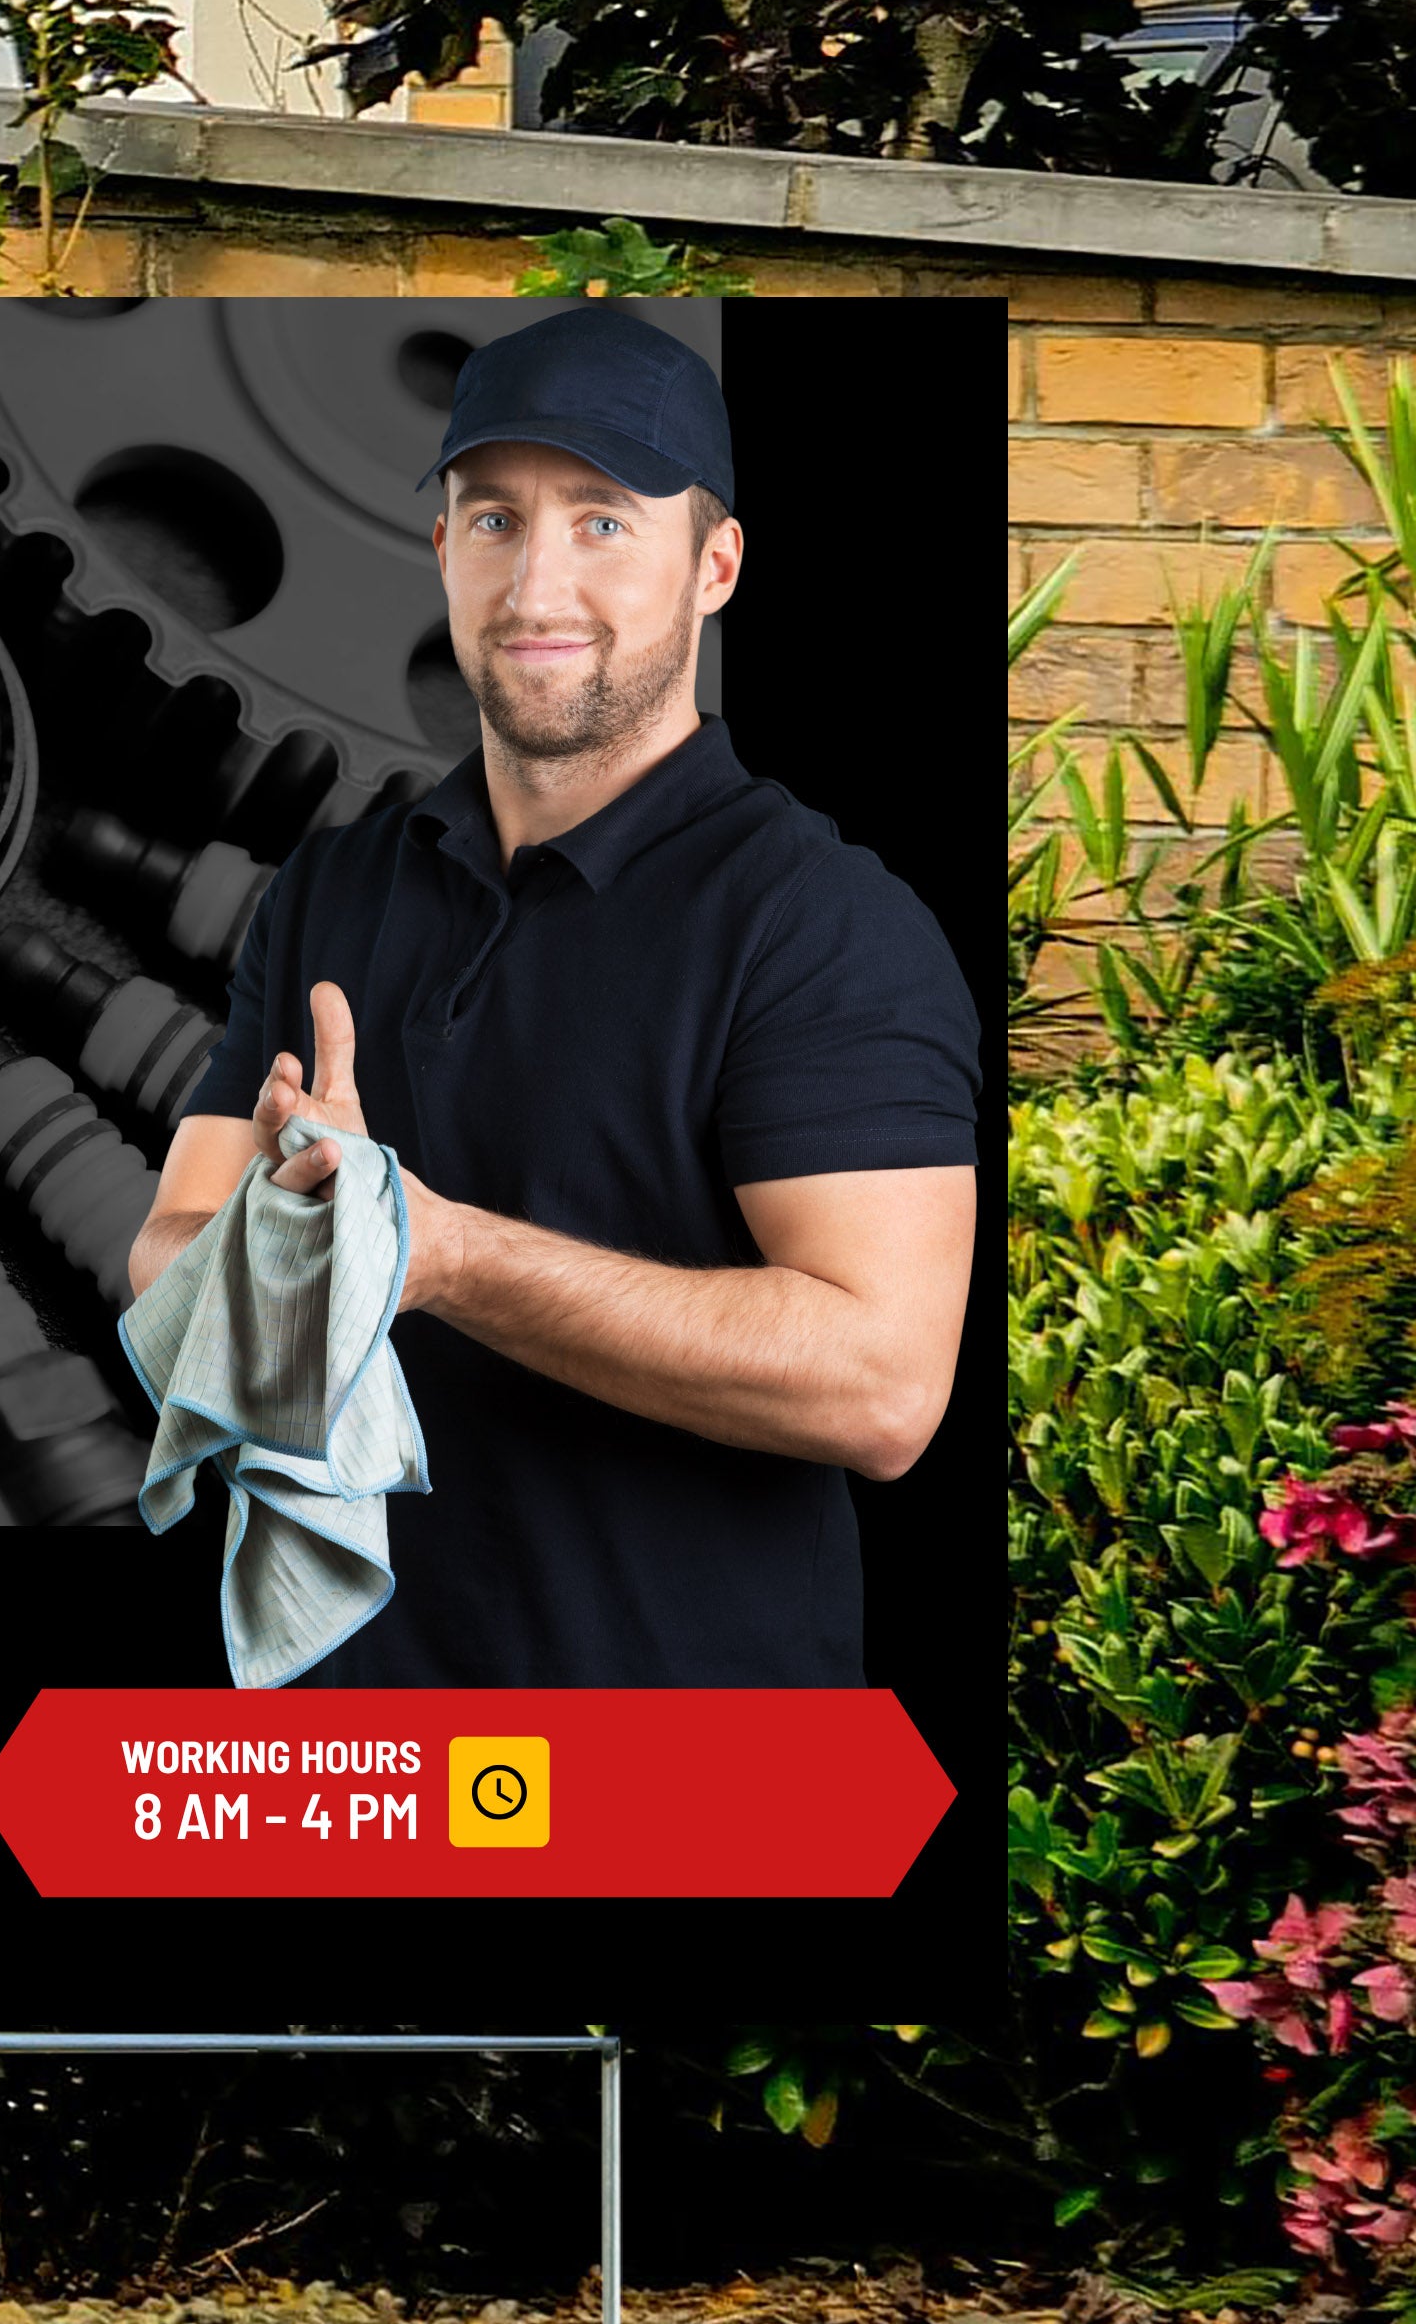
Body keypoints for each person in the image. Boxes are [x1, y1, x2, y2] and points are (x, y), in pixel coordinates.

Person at [124, 307, 977, 1689]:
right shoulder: (336, 890)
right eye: (493, 521)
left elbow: (880, 1388)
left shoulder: (820, 924)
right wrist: (278, 1250)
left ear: (716, 566)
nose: (535, 587)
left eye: (601, 522)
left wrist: (437, 1252)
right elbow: (164, 1251)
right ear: (441, 549)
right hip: (361, 1776)